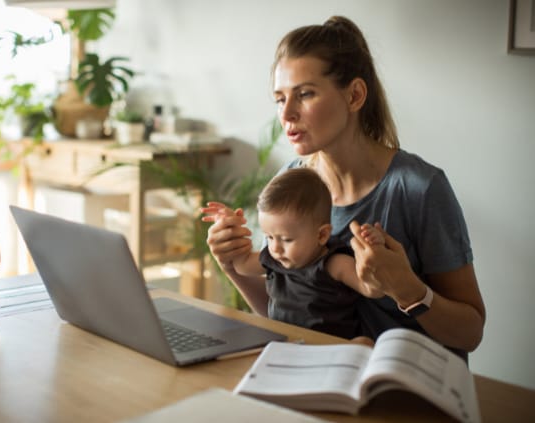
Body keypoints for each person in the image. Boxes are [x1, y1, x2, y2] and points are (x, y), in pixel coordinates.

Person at [204, 16, 485, 360]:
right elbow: (289, 316)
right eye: (279, 98)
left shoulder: (420, 189)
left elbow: (470, 333)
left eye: (304, 94)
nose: (287, 114)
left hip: (407, 391)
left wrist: (409, 290)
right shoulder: (291, 181)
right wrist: (231, 264)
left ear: (354, 95)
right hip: (320, 377)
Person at [203, 167, 385, 340]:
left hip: (329, 348)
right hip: (284, 342)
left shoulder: (334, 263)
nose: (275, 248)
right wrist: (229, 225)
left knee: (364, 342)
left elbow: (373, 290)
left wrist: (374, 252)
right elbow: (241, 266)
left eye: (286, 239)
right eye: (269, 237)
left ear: (322, 235)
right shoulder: (275, 257)